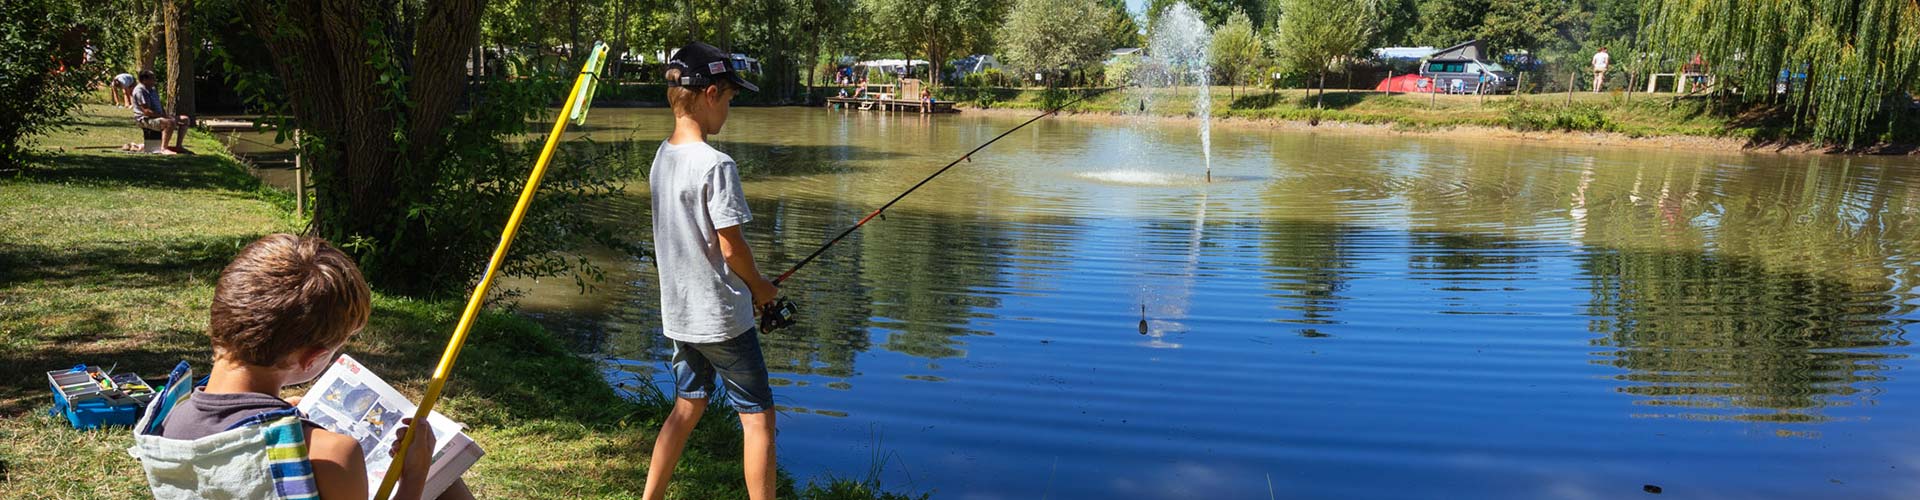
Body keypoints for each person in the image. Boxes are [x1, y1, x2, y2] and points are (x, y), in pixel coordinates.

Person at [133, 233, 473, 500]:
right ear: (312, 358)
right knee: (447, 486)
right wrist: (413, 477)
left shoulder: (170, 422)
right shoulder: (331, 454)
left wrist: (281, 411)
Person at [641, 41, 780, 500]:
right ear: (711, 94)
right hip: (721, 319)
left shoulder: (662, 157)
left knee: (687, 406)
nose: (729, 111)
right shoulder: (716, 165)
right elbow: (731, 246)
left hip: (681, 315)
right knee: (758, 418)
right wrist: (760, 288)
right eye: (730, 99)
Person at [132, 70, 190, 153]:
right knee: (169, 123)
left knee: (185, 119)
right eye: (152, 78)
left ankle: (179, 146)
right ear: (144, 80)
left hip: (157, 116)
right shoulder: (139, 91)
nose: (155, 80)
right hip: (144, 119)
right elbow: (146, 112)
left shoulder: (152, 89)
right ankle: (163, 148)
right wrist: (165, 117)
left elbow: (159, 106)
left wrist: (166, 115)